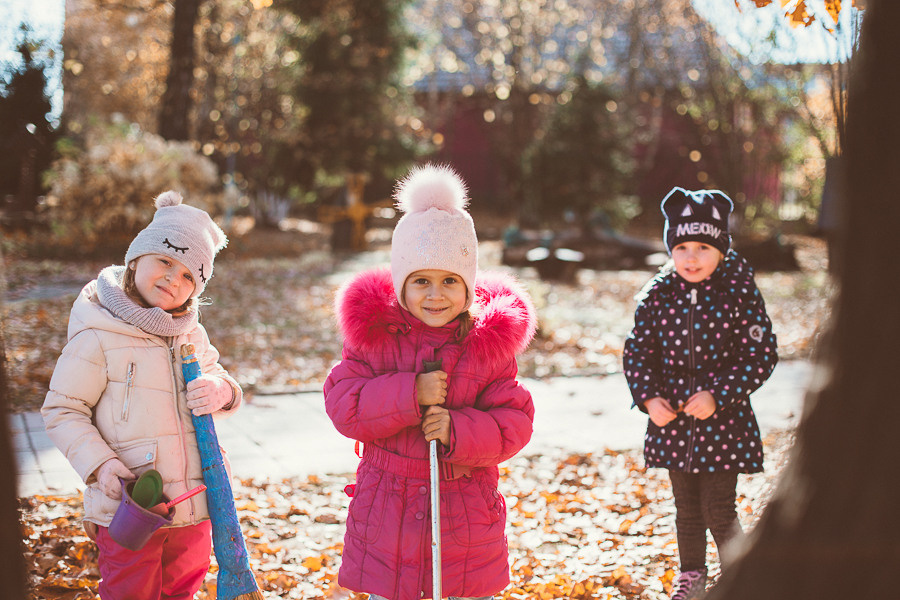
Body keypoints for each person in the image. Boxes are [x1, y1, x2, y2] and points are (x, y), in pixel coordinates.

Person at [324, 164, 537, 600]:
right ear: (402, 282)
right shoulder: (374, 338)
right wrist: (409, 394)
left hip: (463, 515)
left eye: (449, 282)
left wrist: (457, 429)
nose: (435, 295)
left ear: (469, 286)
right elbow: (344, 403)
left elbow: (513, 421)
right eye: (421, 281)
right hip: (388, 512)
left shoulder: (486, 347)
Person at [42, 191, 241, 600]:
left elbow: (221, 377)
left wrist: (222, 392)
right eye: (166, 261)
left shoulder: (190, 332)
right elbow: (63, 409)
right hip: (131, 505)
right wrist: (101, 466)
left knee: (182, 589)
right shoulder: (99, 332)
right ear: (136, 259)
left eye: (190, 276)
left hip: (194, 504)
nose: (174, 279)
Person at [622, 187, 778, 600]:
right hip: (673, 422)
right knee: (687, 509)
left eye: (703, 247)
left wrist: (718, 394)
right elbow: (637, 351)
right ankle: (691, 575)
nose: (691, 257)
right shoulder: (657, 295)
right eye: (682, 246)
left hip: (722, 422)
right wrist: (648, 399)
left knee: (718, 507)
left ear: (722, 249)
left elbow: (759, 353)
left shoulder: (738, 291)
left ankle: (738, 577)